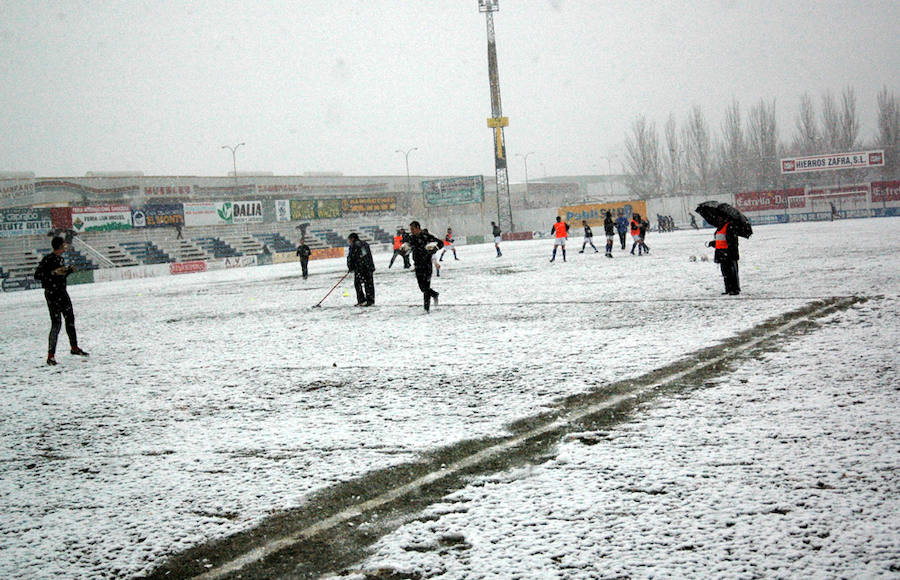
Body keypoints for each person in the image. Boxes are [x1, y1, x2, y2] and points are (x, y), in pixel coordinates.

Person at [34, 236, 88, 366]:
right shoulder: (48, 259)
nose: (66, 247)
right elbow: (37, 275)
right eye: (64, 244)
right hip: (52, 295)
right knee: (56, 324)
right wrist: (53, 273)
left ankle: (74, 348)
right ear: (59, 246)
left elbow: (60, 276)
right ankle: (51, 356)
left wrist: (68, 271)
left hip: (62, 292)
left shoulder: (60, 259)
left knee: (70, 319)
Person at [403, 221, 443, 311]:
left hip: (427, 264)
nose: (411, 231)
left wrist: (434, 249)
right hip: (417, 264)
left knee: (426, 286)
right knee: (422, 287)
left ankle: (426, 308)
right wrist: (404, 249)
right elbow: (407, 246)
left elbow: (440, 243)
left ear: (418, 228)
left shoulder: (427, 236)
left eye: (413, 229)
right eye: (411, 229)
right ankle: (434, 294)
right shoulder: (412, 238)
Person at [708, 219, 741, 295]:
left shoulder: (729, 227)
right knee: (725, 273)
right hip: (721, 254)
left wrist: (729, 248)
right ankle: (728, 289)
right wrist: (713, 243)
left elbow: (732, 241)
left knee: (731, 272)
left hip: (729, 254)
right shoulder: (720, 228)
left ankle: (735, 289)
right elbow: (720, 240)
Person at [346, 233, 375, 306]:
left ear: (352, 238)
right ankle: (370, 300)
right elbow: (368, 256)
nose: (349, 241)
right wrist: (371, 266)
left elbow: (350, 258)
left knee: (358, 284)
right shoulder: (365, 244)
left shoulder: (353, 246)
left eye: (349, 239)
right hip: (368, 267)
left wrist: (350, 267)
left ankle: (361, 300)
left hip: (360, 268)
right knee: (369, 284)